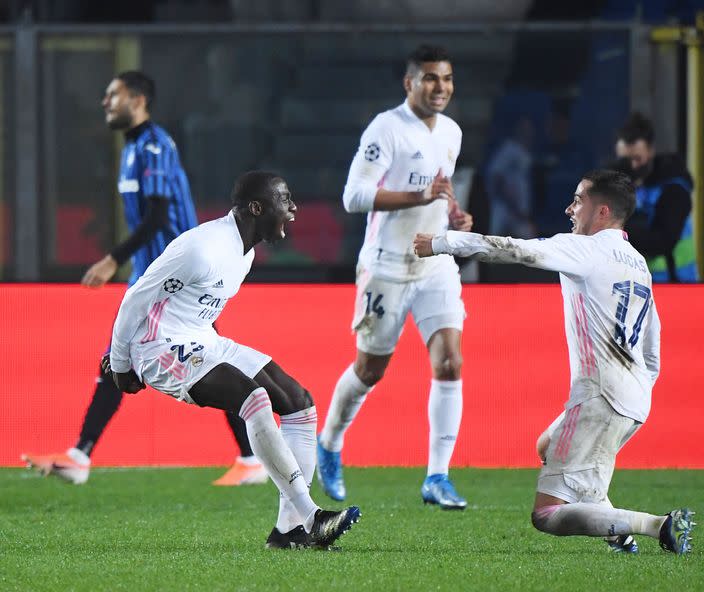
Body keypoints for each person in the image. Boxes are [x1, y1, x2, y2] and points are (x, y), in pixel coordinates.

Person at [413, 169, 695, 554]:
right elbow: (653, 345)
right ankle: (620, 536)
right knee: (549, 446)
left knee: (546, 514)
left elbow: (514, 249)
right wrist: (639, 389)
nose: (569, 208)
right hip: (634, 396)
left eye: (578, 199)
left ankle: (659, 526)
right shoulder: (637, 262)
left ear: (602, 210)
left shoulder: (586, 249)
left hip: (600, 395)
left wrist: (443, 242)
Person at [22, 71, 265, 486]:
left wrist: (111, 259)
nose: (105, 102)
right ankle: (248, 456)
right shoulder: (133, 149)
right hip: (155, 276)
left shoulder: (154, 145)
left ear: (137, 99)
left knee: (155, 355)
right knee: (124, 355)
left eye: (112, 94)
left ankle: (254, 455)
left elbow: (156, 216)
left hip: (177, 278)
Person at [104, 170, 361, 549]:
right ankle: (312, 517)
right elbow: (136, 298)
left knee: (298, 402)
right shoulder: (201, 249)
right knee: (254, 399)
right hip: (157, 347)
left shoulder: (245, 252)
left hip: (203, 340)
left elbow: (194, 312)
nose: (293, 208)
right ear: (256, 208)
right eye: (284, 200)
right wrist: (122, 364)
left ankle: (289, 532)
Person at [316, 44, 474, 509]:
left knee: (450, 361)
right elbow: (354, 196)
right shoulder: (386, 129)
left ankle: (437, 476)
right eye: (430, 78)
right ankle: (329, 441)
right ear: (409, 84)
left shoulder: (452, 132)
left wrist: (454, 215)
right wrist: (419, 195)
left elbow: (439, 191)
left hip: (435, 262)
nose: (440, 87)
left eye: (446, 78)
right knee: (370, 369)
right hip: (386, 265)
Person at [613, 113, 698, 282]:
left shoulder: (673, 190)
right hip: (632, 288)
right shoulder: (616, 187)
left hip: (674, 285)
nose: (633, 166)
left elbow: (664, 240)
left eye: (638, 159)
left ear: (650, 152)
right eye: (625, 160)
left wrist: (614, 231)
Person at [486, 115, 537, 238]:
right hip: (503, 208)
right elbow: (496, 177)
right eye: (523, 127)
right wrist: (511, 204)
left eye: (529, 127)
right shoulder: (508, 149)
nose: (527, 130)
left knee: (528, 241)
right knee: (492, 242)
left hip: (519, 209)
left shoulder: (526, 151)